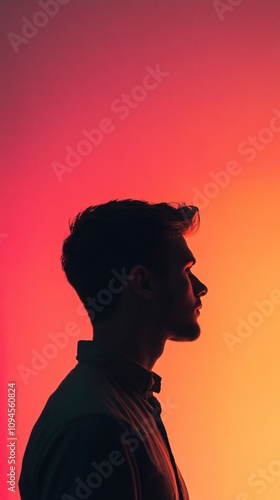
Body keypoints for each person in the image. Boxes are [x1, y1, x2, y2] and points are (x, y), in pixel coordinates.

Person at [19, 199, 208, 500]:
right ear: (143, 282)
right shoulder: (96, 425)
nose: (201, 287)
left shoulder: (126, 404)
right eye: (186, 270)